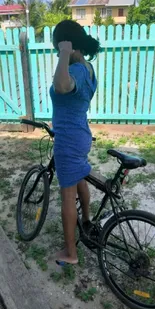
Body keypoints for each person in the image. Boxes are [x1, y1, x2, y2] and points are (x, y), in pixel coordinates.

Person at [50, 20, 100, 265]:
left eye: (57, 47)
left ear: (67, 44)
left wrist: (65, 53)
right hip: (80, 135)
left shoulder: (77, 70)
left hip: (69, 141)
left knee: (67, 196)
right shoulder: (88, 68)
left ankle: (70, 254)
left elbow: (61, 86)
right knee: (79, 178)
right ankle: (87, 220)